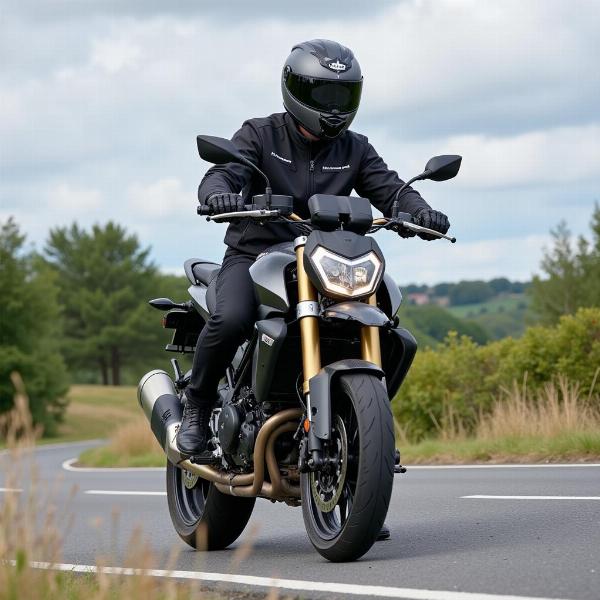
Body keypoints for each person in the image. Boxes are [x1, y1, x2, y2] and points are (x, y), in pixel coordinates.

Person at [178, 38, 449, 484]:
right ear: (296, 91)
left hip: (328, 259)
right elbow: (225, 171)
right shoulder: (261, 134)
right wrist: (217, 193)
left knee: (394, 328)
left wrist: (418, 210)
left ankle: (363, 458)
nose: (334, 107)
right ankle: (198, 406)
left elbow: (391, 188)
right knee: (231, 318)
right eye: (324, 94)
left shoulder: (356, 148)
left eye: (343, 96)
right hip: (255, 255)